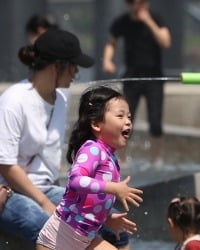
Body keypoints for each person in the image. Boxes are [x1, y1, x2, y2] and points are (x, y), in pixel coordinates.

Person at [0, 28, 130, 249]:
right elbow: (7, 165)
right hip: (11, 193)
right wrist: (45, 204)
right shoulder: (14, 101)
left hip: (49, 188)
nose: (76, 73)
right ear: (55, 67)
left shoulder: (60, 99)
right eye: (73, 67)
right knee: (51, 227)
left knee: (118, 231)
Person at [37, 86, 144, 250]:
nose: (128, 121)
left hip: (83, 239)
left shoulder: (110, 157)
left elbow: (89, 202)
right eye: (120, 116)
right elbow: (75, 180)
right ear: (96, 124)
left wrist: (108, 218)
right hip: (57, 242)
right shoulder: (92, 149)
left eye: (129, 116)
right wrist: (113, 187)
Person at [103, 0, 171, 167]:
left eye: (144, 2)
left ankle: (155, 159)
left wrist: (148, 21)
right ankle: (122, 159)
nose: (142, 6)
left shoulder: (156, 18)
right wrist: (107, 60)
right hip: (132, 77)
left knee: (155, 120)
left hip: (154, 77)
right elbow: (112, 42)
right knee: (125, 119)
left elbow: (165, 42)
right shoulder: (123, 22)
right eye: (137, 3)